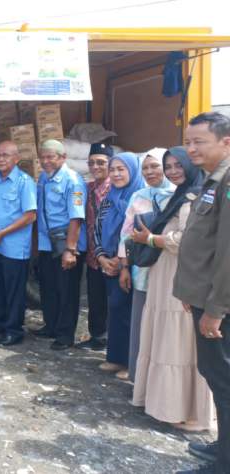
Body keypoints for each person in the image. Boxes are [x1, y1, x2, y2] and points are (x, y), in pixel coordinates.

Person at [132, 146, 214, 432]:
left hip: (180, 275)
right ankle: (166, 404)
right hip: (165, 273)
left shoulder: (197, 196)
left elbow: (186, 240)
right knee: (167, 337)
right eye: (169, 166)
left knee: (178, 342)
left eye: (178, 165)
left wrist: (151, 239)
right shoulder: (181, 194)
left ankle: (187, 411)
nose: (173, 171)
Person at [173, 112, 230, 474]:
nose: (191, 148)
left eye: (199, 142)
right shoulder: (213, 179)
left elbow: (228, 253)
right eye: (188, 142)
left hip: (219, 305)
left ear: (226, 142)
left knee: (224, 382)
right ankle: (223, 447)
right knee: (215, 375)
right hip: (205, 297)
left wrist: (215, 309)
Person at [117, 148, 174, 381]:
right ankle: (138, 377)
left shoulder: (179, 195)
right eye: (145, 168)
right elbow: (126, 234)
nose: (150, 172)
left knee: (166, 327)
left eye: (155, 166)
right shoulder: (139, 196)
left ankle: (160, 382)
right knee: (142, 325)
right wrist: (124, 267)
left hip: (169, 271)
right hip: (142, 270)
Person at [0, 141, 37, 346]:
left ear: (16, 158)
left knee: (13, 290)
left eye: (5, 155)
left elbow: (30, 216)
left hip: (14, 247)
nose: (0, 159)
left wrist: (2, 233)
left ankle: (13, 330)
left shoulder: (24, 182)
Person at [94, 152, 145, 374]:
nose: (116, 174)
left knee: (131, 313)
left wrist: (120, 259)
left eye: (121, 169)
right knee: (115, 310)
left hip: (132, 264)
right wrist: (102, 258)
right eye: (113, 169)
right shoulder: (108, 199)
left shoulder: (141, 197)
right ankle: (115, 357)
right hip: (109, 264)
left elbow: (136, 233)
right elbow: (96, 229)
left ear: (132, 171)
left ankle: (130, 363)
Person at [34, 139, 87, 351]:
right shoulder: (44, 178)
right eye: (42, 157)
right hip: (47, 242)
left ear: (63, 157)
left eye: (51, 157)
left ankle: (65, 335)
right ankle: (51, 326)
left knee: (67, 290)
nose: (46, 161)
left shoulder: (73, 181)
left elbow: (76, 217)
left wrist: (70, 250)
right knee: (49, 286)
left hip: (66, 243)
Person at [78, 143, 113, 351]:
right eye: (91, 163)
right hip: (92, 253)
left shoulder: (116, 187)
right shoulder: (88, 188)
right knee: (95, 297)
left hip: (111, 254)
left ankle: (112, 340)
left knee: (112, 299)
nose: (95, 167)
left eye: (101, 162)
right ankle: (97, 337)